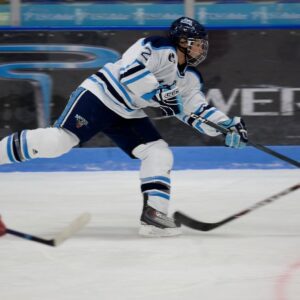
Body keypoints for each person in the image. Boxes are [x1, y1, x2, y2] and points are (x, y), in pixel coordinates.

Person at [0, 17, 248, 237]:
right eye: (196, 42)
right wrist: (157, 92)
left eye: (202, 43)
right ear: (181, 41)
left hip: (128, 112)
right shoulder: (157, 46)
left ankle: (155, 216)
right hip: (100, 95)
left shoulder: (190, 78)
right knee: (59, 142)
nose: (201, 48)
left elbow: (196, 111)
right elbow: (131, 72)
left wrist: (225, 126)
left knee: (158, 151)